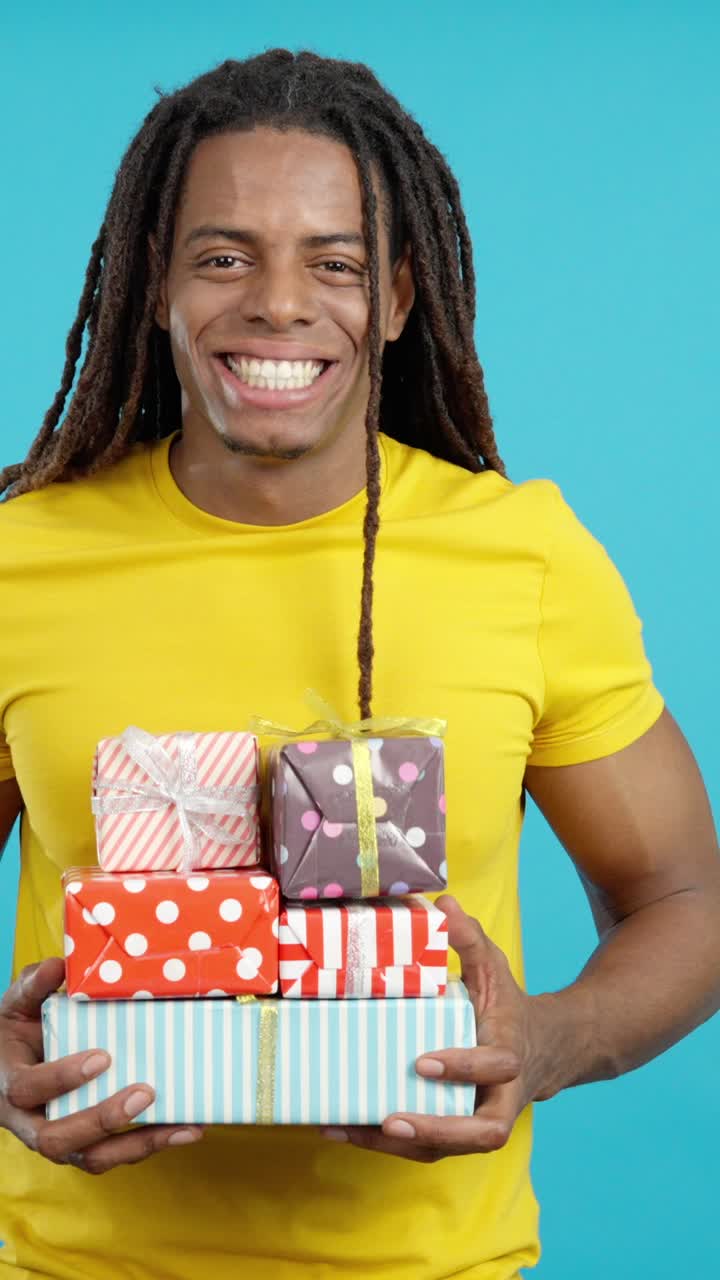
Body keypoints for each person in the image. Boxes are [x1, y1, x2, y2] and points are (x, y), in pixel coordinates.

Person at [0, 48, 717, 1280]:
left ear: (392, 298)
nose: (279, 304)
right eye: (223, 257)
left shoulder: (524, 553)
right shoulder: (22, 559)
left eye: (332, 262)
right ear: (152, 285)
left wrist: (541, 1042)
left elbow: (686, 903)